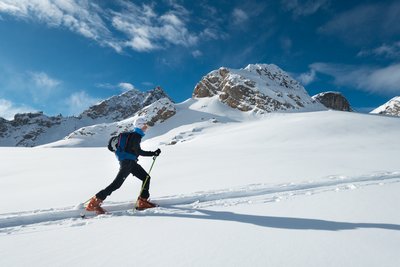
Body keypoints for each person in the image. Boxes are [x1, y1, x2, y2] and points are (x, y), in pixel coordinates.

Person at [86, 117, 161, 214]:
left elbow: (135, 151)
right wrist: (153, 153)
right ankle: (94, 202)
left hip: (131, 162)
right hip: (128, 163)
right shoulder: (136, 136)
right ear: (140, 126)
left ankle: (142, 201)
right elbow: (138, 151)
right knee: (116, 184)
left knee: (146, 178)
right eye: (145, 125)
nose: (146, 127)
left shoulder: (134, 135)